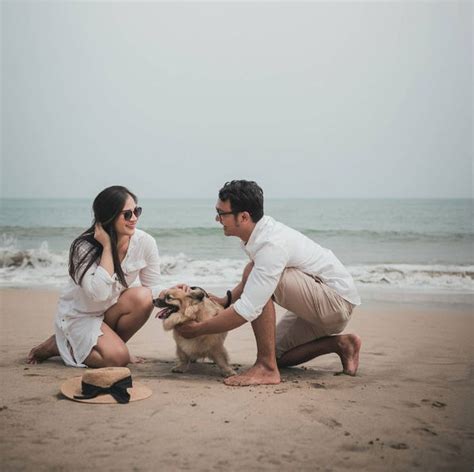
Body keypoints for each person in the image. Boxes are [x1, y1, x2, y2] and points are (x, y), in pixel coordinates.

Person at [176, 180, 361, 386]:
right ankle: (342, 344)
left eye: (222, 213)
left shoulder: (271, 244)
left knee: (258, 280)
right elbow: (252, 282)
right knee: (278, 354)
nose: (217, 219)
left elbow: (248, 309)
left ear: (244, 216)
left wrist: (198, 329)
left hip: (334, 302)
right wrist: (226, 300)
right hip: (318, 306)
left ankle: (266, 368)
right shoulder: (258, 233)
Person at [27, 185, 164, 368]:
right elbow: (98, 293)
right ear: (108, 217)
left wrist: (173, 293)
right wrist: (107, 247)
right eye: (127, 214)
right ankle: (60, 345)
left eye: (137, 211)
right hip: (80, 315)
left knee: (144, 297)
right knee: (118, 359)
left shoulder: (145, 242)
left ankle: (111, 345)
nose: (134, 219)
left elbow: (153, 287)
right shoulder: (83, 247)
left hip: (109, 310)